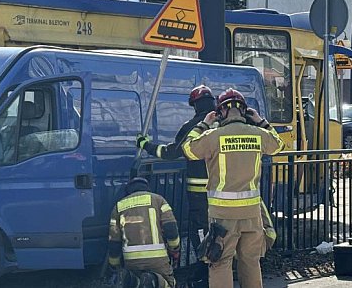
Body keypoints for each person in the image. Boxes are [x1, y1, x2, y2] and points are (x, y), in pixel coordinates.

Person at [181, 89, 285, 288]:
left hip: (223, 216)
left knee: (220, 262)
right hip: (252, 215)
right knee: (250, 262)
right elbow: (278, 145)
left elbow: (188, 149)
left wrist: (204, 124)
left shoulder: (214, 136)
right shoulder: (258, 134)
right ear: (244, 111)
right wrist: (261, 121)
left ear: (221, 112)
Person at [135, 84, 214, 287]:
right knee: (223, 231)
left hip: (199, 193)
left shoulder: (194, 125)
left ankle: (206, 273)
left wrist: (145, 144)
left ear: (195, 105)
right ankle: (218, 270)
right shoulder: (224, 125)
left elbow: (171, 152)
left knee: (201, 232)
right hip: (225, 192)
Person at [108, 177, 181, 288]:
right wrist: (174, 249)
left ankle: (132, 280)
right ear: (147, 188)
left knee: (137, 283)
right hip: (157, 259)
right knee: (169, 284)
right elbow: (171, 229)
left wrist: (115, 266)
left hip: (131, 262)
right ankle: (154, 281)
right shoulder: (158, 200)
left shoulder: (118, 207)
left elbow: (114, 241)